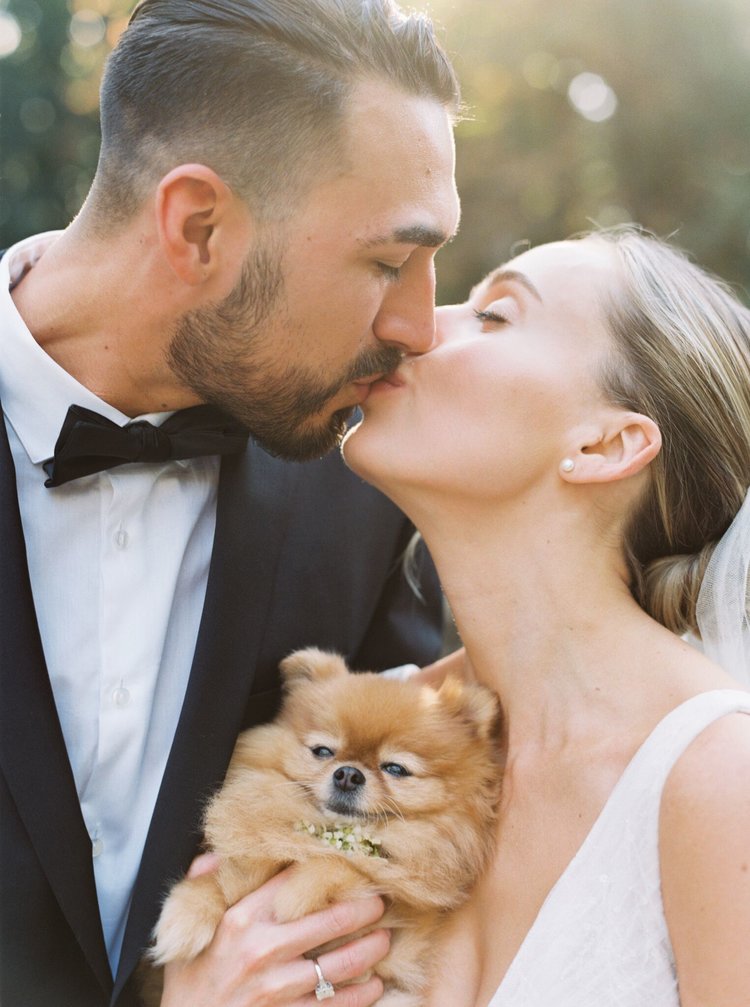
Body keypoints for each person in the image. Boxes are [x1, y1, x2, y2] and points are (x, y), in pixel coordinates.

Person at [0, 1, 462, 1004]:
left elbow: (424, 837)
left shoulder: (367, 499)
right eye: (388, 262)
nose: (421, 324)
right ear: (199, 226)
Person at [342, 226, 750, 1006]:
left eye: (494, 315)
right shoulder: (358, 734)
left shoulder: (718, 784)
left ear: (606, 444)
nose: (421, 327)